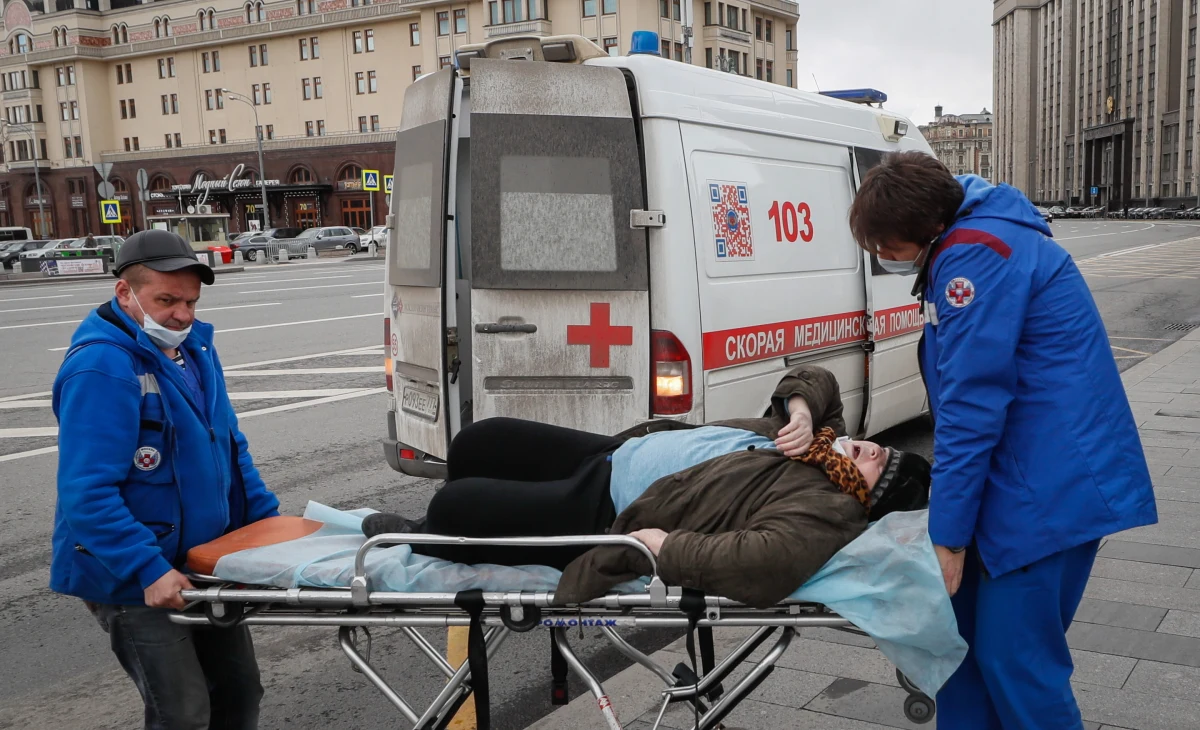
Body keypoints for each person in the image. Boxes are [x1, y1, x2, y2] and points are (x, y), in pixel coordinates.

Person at [847, 152, 1157, 729]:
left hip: (1044, 490)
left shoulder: (974, 259)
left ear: (922, 227)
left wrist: (949, 538)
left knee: (1016, 661)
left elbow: (971, 409)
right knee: (962, 650)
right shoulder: (971, 236)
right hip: (1021, 479)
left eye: (883, 244)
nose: (880, 257)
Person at [363, 366, 931, 608]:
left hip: (609, 511)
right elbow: (818, 380)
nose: (874, 447)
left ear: (869, 497)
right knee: (477, 442)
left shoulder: (827, 511)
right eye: (882, 446)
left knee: (457, 503)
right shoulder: (818, 444)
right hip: (612, 453)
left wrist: (665, 548)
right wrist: (803, 409)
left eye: (881, 462)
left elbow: (762, 562)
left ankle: (427, 536)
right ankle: (486, 519)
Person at [50, 229, 281, 730]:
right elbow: (85, 494)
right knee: (183, 711)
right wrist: (148, 569)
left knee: (239, 693)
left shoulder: (195, 350)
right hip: (135, 576)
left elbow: (230, 448)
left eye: (190, 301)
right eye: (167, 300)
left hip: (205, 563)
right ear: (125, 293)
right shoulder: (102, 367)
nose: (182, 314)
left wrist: (270, 530)